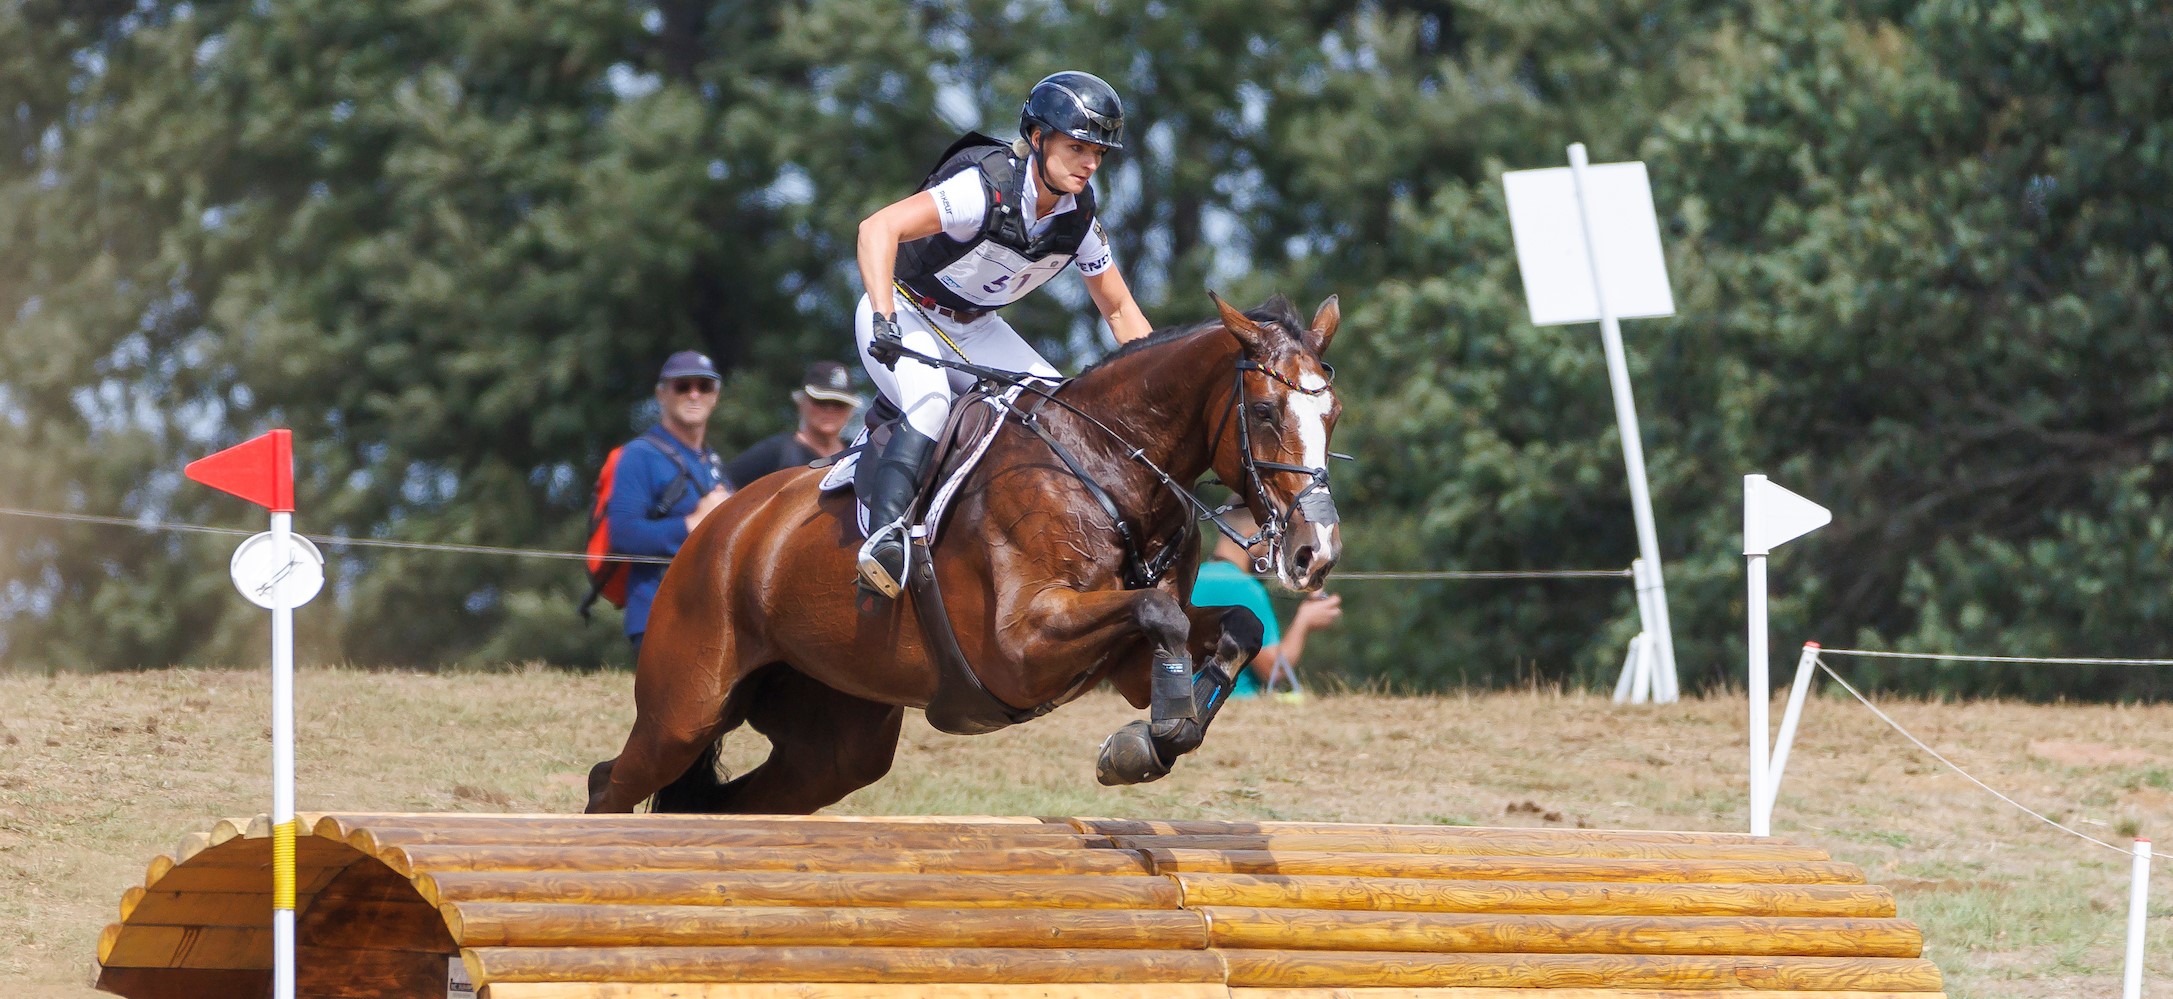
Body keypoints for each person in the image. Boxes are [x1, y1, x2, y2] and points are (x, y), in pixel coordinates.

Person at [851, 70, 1155, 597]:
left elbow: (1120, 308)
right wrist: (884, 318)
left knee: (1062, 415)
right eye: (1078, 147)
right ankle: (885, 541)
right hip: (906, 309)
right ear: (1038, 139)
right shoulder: (983, 187)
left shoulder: (1078, 218)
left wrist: (1153, 393)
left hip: (979, 327)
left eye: (1099, 153)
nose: (1090, 163)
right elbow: (878, 228)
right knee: (928, 403)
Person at [606, 351, 730, 659]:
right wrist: (692, 524)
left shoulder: (712, 462)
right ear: (661, 394)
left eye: (704, 386)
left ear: (715, 395)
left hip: (712, 618)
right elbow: (623, 534)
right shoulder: (639, 455)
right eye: (682, 386)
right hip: (660, 617)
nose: (694, 394)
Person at [1190, 512, 1344, 698]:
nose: (1277, 548)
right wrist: (1304, 621)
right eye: (1271, 538)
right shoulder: (1244, 588)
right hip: (1234, 703)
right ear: (1251, 537)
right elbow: (1273, 670)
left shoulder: (1190, 580)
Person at [723, 361, 865, 490]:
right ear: (801, 402)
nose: (829, 409)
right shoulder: (777, 451)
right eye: (820, 401)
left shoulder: (860, 457)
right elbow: (723, 488)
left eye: (839, 403)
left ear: (851, 410)